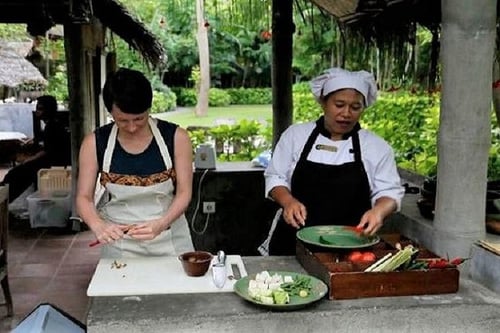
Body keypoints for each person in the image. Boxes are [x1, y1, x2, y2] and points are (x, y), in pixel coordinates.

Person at [262, 67, 405, 255]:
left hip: (351, 245)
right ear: (323, 102)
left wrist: (379, 211)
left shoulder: (376, 146)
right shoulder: (295, 136)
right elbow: (275, 177)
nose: (346, 113)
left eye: (355, 107)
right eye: (339, 105)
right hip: (292, 242)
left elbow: (389, 192)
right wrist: (288, 201)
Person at [76, 68, 194, 258]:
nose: (131, 127)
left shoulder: (177, 138)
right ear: (110, 112)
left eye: (139, 119)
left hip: (170, 235)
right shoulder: (94, 143)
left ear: (149, 108)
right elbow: (83, 197)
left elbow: (184, 192)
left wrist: (161, 224)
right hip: (120, 241)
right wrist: (99, 226)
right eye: (122, 120)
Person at [1, 95, 71, 202]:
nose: (37, 111)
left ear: (48, 110)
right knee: (14, 174)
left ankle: (4, 200)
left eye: (40, 109)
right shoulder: (53, 124)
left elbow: (47, 151)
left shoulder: (52, 126)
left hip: (54, 163)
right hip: (51, 160)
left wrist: (28, 160)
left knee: (16, 174)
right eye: (37, 108)